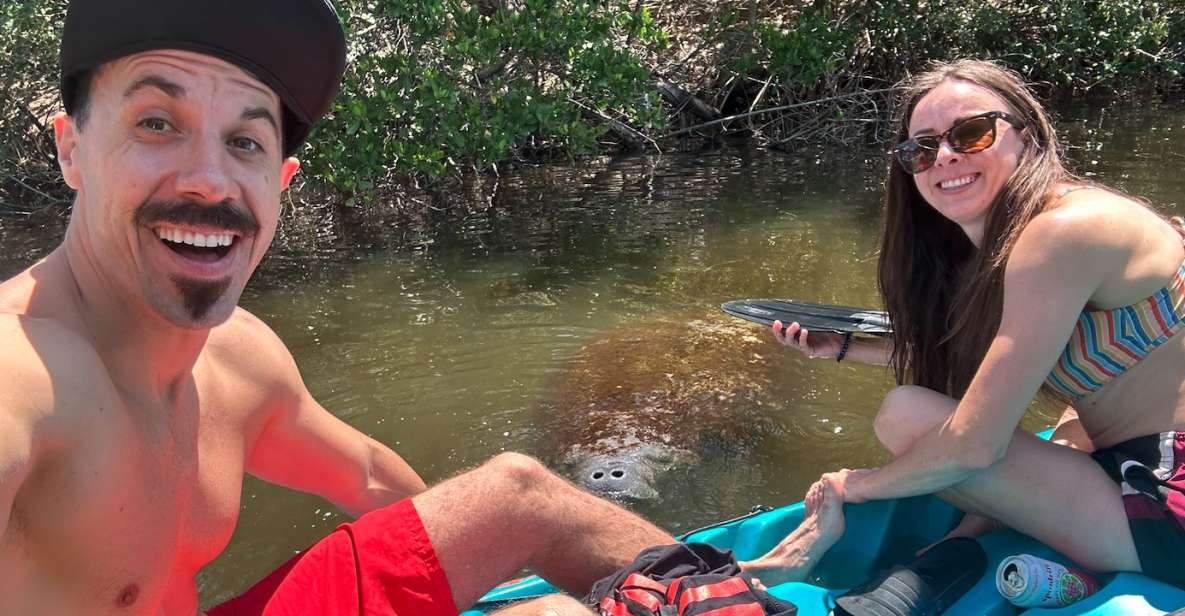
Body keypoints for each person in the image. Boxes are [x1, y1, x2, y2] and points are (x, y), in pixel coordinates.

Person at [0, 1, 686, 614]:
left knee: (517, 503)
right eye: (156, 122)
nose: (209, 180)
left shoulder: (237, 359)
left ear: (280, 182)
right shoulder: (20, 366)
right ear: (71, 149)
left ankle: (739, 591)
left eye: (245, 142)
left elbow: (372, 479)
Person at [767, 59, 1185, 588]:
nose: (944, 155)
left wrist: (858, 486)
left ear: (1027, 138)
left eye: (971, 133)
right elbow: (989, 355)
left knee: (906, 415)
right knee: (1055, 429)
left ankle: (966, 539)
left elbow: (974, 445)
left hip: (1168, 498)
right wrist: (843, 346)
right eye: (922, 148)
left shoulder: (1061, 235)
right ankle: (971, 534)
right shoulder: (1034, 231)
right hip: (1135, 457)